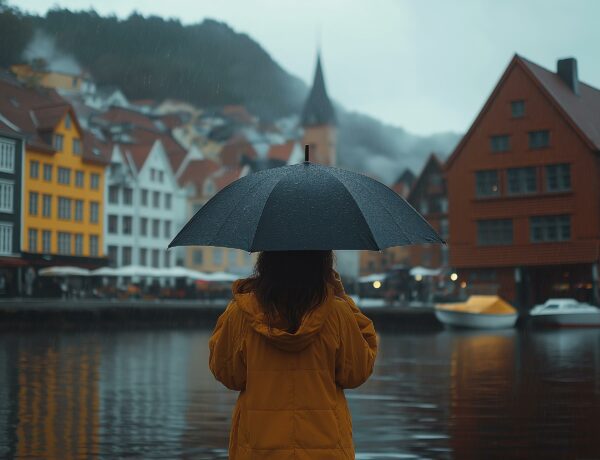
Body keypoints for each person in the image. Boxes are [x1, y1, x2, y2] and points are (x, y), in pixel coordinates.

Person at [209, 250, 378, 459]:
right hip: (326, 449)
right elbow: (357, 373)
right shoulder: (338, 314)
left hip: (258, 448)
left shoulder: (242, 314)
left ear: (266, 263)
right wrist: (343, 299)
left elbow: (228, 374)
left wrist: (233, 312)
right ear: (322, 264)